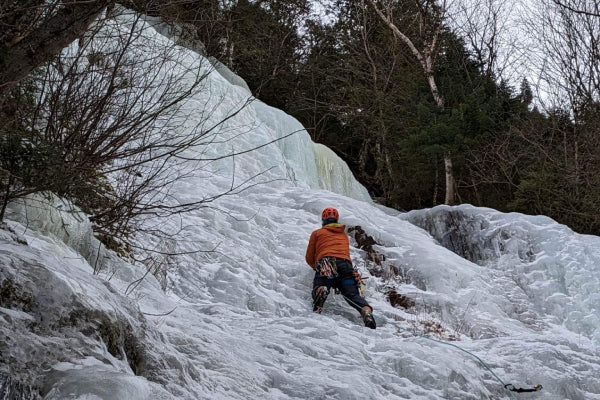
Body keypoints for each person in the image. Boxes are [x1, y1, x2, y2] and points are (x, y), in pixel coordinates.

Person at [305, 207, 376, 329]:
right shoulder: (343, 235)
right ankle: (366, 311)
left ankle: (322, 289)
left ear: (323, 220)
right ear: (336, 219)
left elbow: (309, 257)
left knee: (321, 283)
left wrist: (316, 267)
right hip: (346, 267)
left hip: (326, 264)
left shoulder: (317, 233)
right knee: (352, 295)